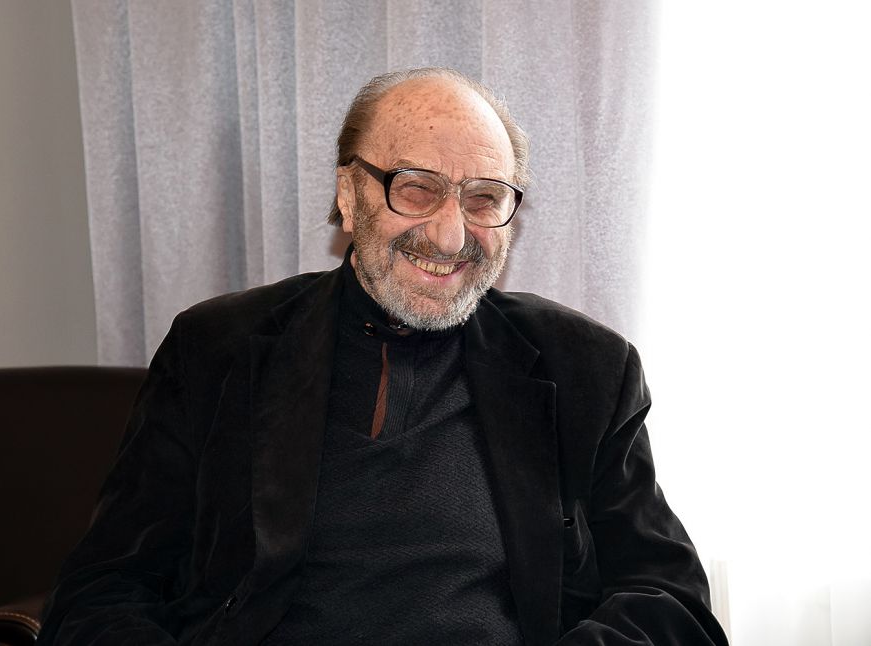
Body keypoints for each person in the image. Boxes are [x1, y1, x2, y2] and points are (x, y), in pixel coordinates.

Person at [37, 68, 727, 645]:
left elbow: (670, 599)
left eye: (484, 198)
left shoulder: (584, 369)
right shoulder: (218, 350)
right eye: (417, 187)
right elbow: (104, 590)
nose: (451, 234)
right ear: (349, 193)